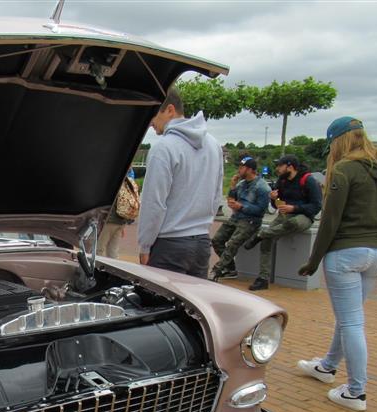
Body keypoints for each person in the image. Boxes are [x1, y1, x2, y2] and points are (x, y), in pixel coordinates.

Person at [296, 116, 377, 412]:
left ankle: (356, 392)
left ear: (338, 141)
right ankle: (327, 366)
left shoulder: (344, 169)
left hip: (346, 253)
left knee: (352, 322)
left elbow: (330, 221)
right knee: (349, 318)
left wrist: (313, 261)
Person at [137, 88, 223, 278]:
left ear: (170, 110)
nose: (150, 122)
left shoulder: (163, 148)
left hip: (169, 245)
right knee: (193, 298)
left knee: (159, 298)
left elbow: (154, 203)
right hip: (201, 244)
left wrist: (145, 245)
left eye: (153, 114)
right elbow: (216, 196)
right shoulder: (213, 145)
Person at [243, 154, 323, 290]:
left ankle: (260, 234)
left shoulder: (309, 180)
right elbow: (276, 206)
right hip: (284, 215)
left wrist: (294, 208)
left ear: (290, 167)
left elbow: (316, 206)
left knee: (292, 223)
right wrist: (274, 199)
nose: (277, 169)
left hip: (303, 217)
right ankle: (263, 279)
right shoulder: (282, 180)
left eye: (280, 166)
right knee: (267, 241)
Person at [210, 157, 270, 280]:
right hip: (236, 217)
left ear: (250, 169)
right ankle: (231, 269)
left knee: (233, 243)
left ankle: (216, 270)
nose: (239, 170)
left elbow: (261, 210)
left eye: (242, 167)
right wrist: (232, 187)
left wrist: (242, 207)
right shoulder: (241, 184)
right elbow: (233, 198)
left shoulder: (262, 187)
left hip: (250, 221)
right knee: (217, 240)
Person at [98, 168, 140, 258]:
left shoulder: (111, 181)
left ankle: (96, 267)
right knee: (113, 251)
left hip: (109, 220)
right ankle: (112, 267)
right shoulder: (127, 182)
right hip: (121, 221)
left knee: (99, 249)